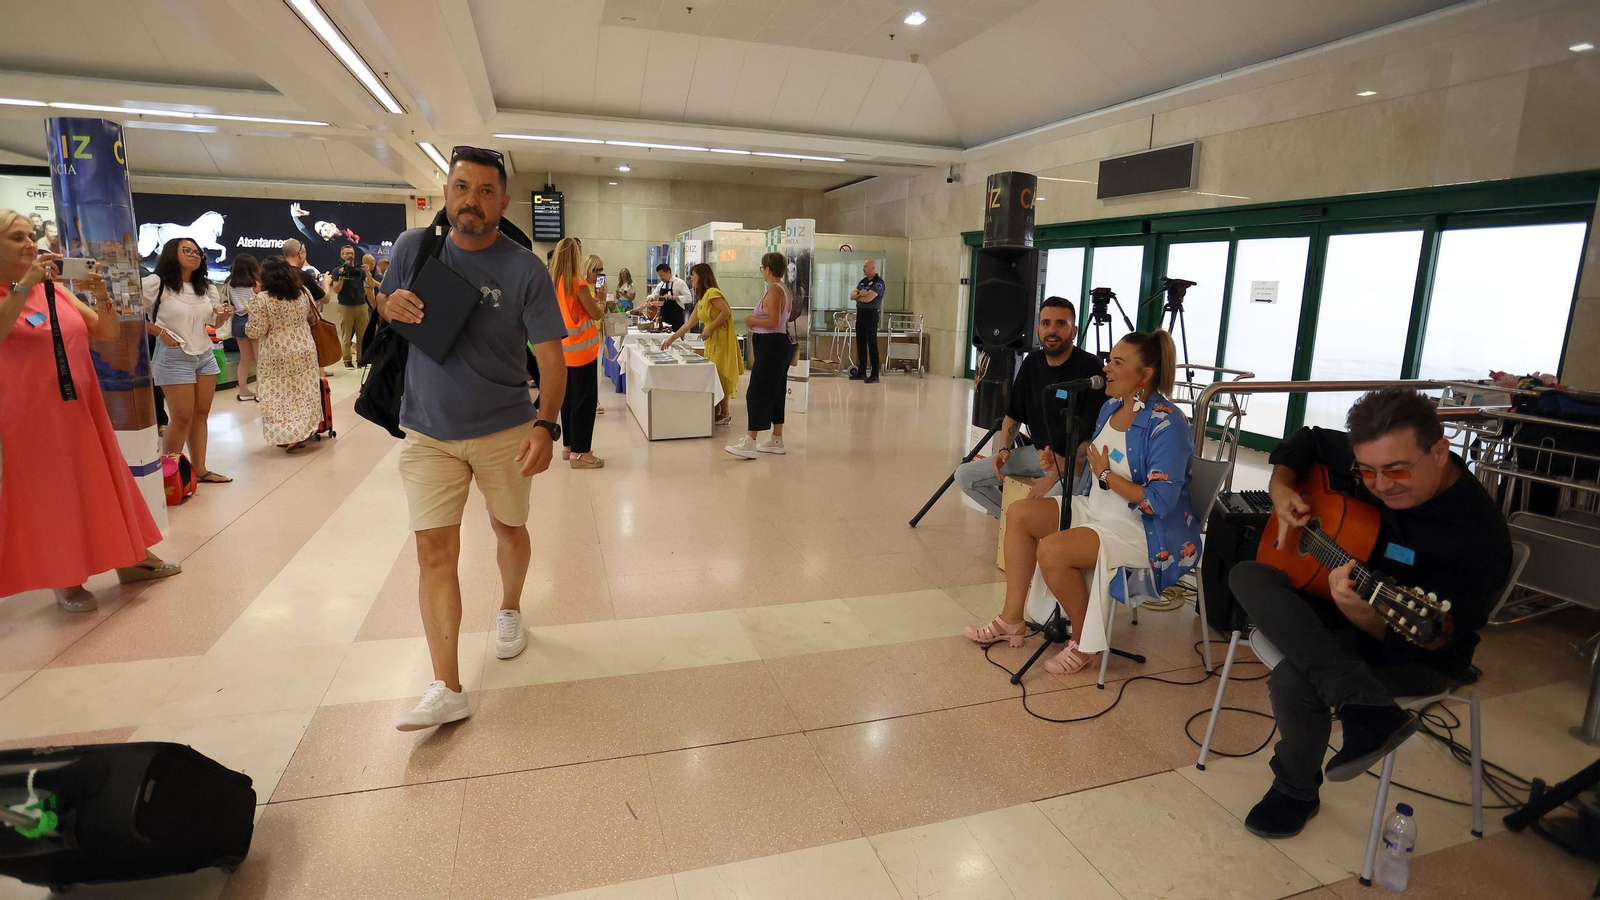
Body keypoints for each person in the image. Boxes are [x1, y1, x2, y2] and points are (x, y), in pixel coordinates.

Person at [1229, 388, 1511, 839]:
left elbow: (1432, 639)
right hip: (1346, 605)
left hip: (1416, 652)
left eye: (1396, 471)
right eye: (1367, 471)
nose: (1380, 484)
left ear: (1440, 451)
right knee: (1247, 573)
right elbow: (1307, 439)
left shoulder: (1477, 542)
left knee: (1293, 678)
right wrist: (1281, 488)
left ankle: (1296, 790)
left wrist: (1361, 614)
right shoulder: (1381, 449)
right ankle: (1365, 709)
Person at [375, 146, 567, 730]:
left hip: (505, 427)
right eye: (462, 188)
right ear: (446, 193)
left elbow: (553, 358)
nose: (472, 201)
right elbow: (385, 306)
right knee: (433, 550)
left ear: (503, 202)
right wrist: (390, 305)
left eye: (486, 192)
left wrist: (546, 424)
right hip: (427, 430)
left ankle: (510, 608)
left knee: (509, 526)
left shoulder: (524, 269)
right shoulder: (414, 248)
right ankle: (446, 684)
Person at [965, 331, 1201, 676]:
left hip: (1144, 529)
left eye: (1117, 363)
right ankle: (1012, 619)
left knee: (1054, 550)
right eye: (1109, 360)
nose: (1106, 368)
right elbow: (1091, 466)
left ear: (1144, 375)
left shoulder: (1167, 422)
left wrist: (1107, 477)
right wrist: (1058, 465)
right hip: (1100, 508)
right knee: (1020, 515)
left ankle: (1085, 641)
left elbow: (1160, 502)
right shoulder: (1109, 408)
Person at [0, 209, 179, 611]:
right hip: (32, 416)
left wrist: (100, 294)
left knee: (103, 482)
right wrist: (21, 286)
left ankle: (130, 558)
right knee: (52, 495)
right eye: (16, 237)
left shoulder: (54, 290)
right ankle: (65, 576)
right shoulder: (14, 292)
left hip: (82, 408)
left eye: (32, 235)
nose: (30, 244)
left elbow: (107, 333)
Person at [955, 297, 1106, 518]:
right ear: (1037, 329)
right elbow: (1013, 415)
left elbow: (1093, 438)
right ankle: (1012, 523)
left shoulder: (1090, 368)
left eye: (1060, 323)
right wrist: (1004, 449)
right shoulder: (1032, 363)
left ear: (1073, 331)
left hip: (1075, 464)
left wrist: (1059, 470)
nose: (1052, 330)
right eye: (1046, 323)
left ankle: (1024, 526)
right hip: (1039, 454)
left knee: (1038, 512)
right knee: (965, 475)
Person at [142, 237, 234, 485]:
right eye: (187, 251)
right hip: (173, 355)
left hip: (204, 353)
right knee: (181, 416)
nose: (194, 255)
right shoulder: (155, 283)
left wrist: (223, 316)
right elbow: (127, 313)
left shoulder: (205, 287)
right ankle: (168, 474)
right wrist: (159, 332)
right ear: (173, 253)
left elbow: (214, 322)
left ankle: (200, 469)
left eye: (198, 252)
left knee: (201, 413)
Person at [246, 256, 323, 453]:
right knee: (304, 392)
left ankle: (286, 434)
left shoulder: (262, 299)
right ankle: (301, 432)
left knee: (277, 395)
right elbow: (312, 318)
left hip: (276, 351)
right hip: (304, 347)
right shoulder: (302, 293)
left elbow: (256, 331)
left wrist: (250, 312)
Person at [726, 252, 790, 459]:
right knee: (776, 390)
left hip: (771, 345)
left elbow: (772, 321)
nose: (762, 272)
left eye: (762, 268)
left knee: (757, 392)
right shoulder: (783, 289)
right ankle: (776, 438)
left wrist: (753, 319)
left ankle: (750, 440)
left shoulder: (774, 291)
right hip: (778, 345)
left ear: (768, 269)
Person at [663, 262, 741, 426]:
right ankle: (719, 411)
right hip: (712, 342)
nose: (692, 279)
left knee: (722, 374)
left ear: (702, 276)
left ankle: (725, 413)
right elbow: (689, 323)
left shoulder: (713, 293)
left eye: (694, 276)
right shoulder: (702, 298)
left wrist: (711, 327)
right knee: (715, 373)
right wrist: (671, 338)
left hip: (722, 341)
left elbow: (726, 311)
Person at [549, 240, 605, 468]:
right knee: (585, 402)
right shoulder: (577, 283)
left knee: (569, 399)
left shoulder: (554, 282)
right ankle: (582, 453)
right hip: (583, 351)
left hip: (564, 350)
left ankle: (569, 446)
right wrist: (601, 300)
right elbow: (595, 313)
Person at [325, 245, 369, 368]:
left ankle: (361, 359)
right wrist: (342, 278)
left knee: (362, 334)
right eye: (347, 253)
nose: (349, 255)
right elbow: (337, 290)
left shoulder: (360, 270)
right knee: (346, 334)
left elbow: (370, 283)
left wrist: (367, 272)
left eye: (351, 253)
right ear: (342, 255)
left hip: (361, 304)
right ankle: (347, 359)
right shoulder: (337, 271)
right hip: (345, 305)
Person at [225, 254, 262, 401]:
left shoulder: (229, 283)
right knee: (260, 358)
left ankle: (243, 390)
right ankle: (260, 391)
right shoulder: (256, 283)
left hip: (238, 321)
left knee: (245, 358)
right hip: (253, 320)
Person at [849, 258, 887, 383]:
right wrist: (861, 293)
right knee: (860, 344)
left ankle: (875, 374)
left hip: (871, 315)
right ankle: (861, 372)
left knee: (872, 344)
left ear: (872, 268)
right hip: (860, 314)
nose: (863, 269)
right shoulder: (863, 281)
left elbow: (868, 299)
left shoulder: (878, 283)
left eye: (865, 266)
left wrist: (859, 296)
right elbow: (852, 296)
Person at [651, 262, 690, 331]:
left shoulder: (680, 283)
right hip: (663, 316)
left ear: (668, 272)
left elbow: (689, 298)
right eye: (659, 276)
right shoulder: (660, 284)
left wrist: (674, 298)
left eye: (662, 275)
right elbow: (654, 294)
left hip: (676, 316)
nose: (661, 278)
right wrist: (650, 298)